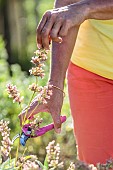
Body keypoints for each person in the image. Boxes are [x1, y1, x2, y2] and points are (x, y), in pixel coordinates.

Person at [19, 0, 113, 165]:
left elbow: (76, 8)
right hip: (91, 72)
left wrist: (87, 8)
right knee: (98, 165)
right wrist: (54, 85)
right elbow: (67, 4)